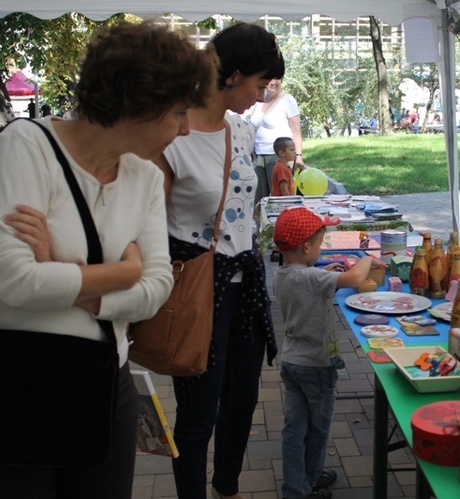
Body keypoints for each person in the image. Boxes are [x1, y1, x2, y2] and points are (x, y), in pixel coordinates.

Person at [0, 20, 214, 497]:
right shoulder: (27, 145)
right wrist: (121, 273)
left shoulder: (145, 178)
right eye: (178, 113)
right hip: (6, 381)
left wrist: (65, 272)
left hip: (103, 380)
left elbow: (155, 291)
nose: (186, 128)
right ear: (137, 104)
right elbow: (12, 281)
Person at [153, 22, 283, 499]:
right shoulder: (172, 132)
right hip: (196, 287)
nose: (263, 93)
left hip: (244, 282)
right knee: (199, 414)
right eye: (260, 82)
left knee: (243, 401)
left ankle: (226, 488)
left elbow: (243, 206)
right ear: (233, 74)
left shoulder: (243, 130)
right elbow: (150, 221)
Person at [272, 207, 386, 499]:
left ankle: (295, 487)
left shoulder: (283, 275)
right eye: (320, 244)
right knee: (318, 429)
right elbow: (355, 280)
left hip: (293, 362)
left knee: (295, 428)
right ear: (307, 247)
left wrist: (322, 272)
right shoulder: (311, 279)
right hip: (317, 366)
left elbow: (306, 283)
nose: (321, 249)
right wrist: (366, 259)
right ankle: (307, 484)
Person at [246, 78, 304, 205]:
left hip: (279, 157)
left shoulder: (288, 100)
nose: (273, 82)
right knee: (259, 201)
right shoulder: (259, 99)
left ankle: (282, 224)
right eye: (270, 78)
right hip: (258, 157)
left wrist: (298, 156)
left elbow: (296, 131)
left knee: (279, 199)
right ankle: (261, 225)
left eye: (277, 78)